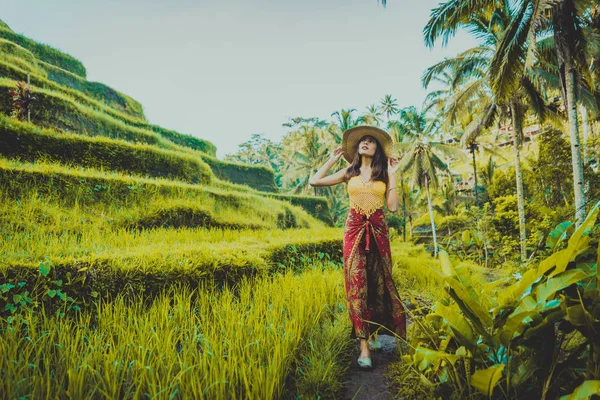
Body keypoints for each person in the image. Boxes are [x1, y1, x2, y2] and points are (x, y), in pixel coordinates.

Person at [309, 125, 407, 370]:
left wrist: (394, 173)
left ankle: (374, 333)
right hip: (353, 230)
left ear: (377, 149)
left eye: (371, 141)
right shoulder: (348, 172)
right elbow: (315, 181)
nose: (366, 142)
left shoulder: (384, 173)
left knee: (378, 280)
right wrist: (331, 160)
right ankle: (363, 345)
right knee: (356, 283)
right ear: (357, 147)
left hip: (378, 230)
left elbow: (393, 207)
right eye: (362, 140)